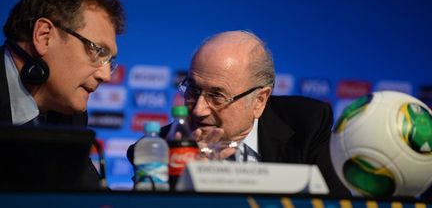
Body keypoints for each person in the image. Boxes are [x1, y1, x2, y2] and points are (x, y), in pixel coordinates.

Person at [128, 30, 351, 196]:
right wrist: (190, 182)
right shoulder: (159, 149)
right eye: (193, 90)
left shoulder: (307, 125)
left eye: (217, 96)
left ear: (259, 100)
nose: (199, 109)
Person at [0, 0, 125, 188]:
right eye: (97, 51)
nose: (106, 75)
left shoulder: (71, 116)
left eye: (109, 61)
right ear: (44, 36)